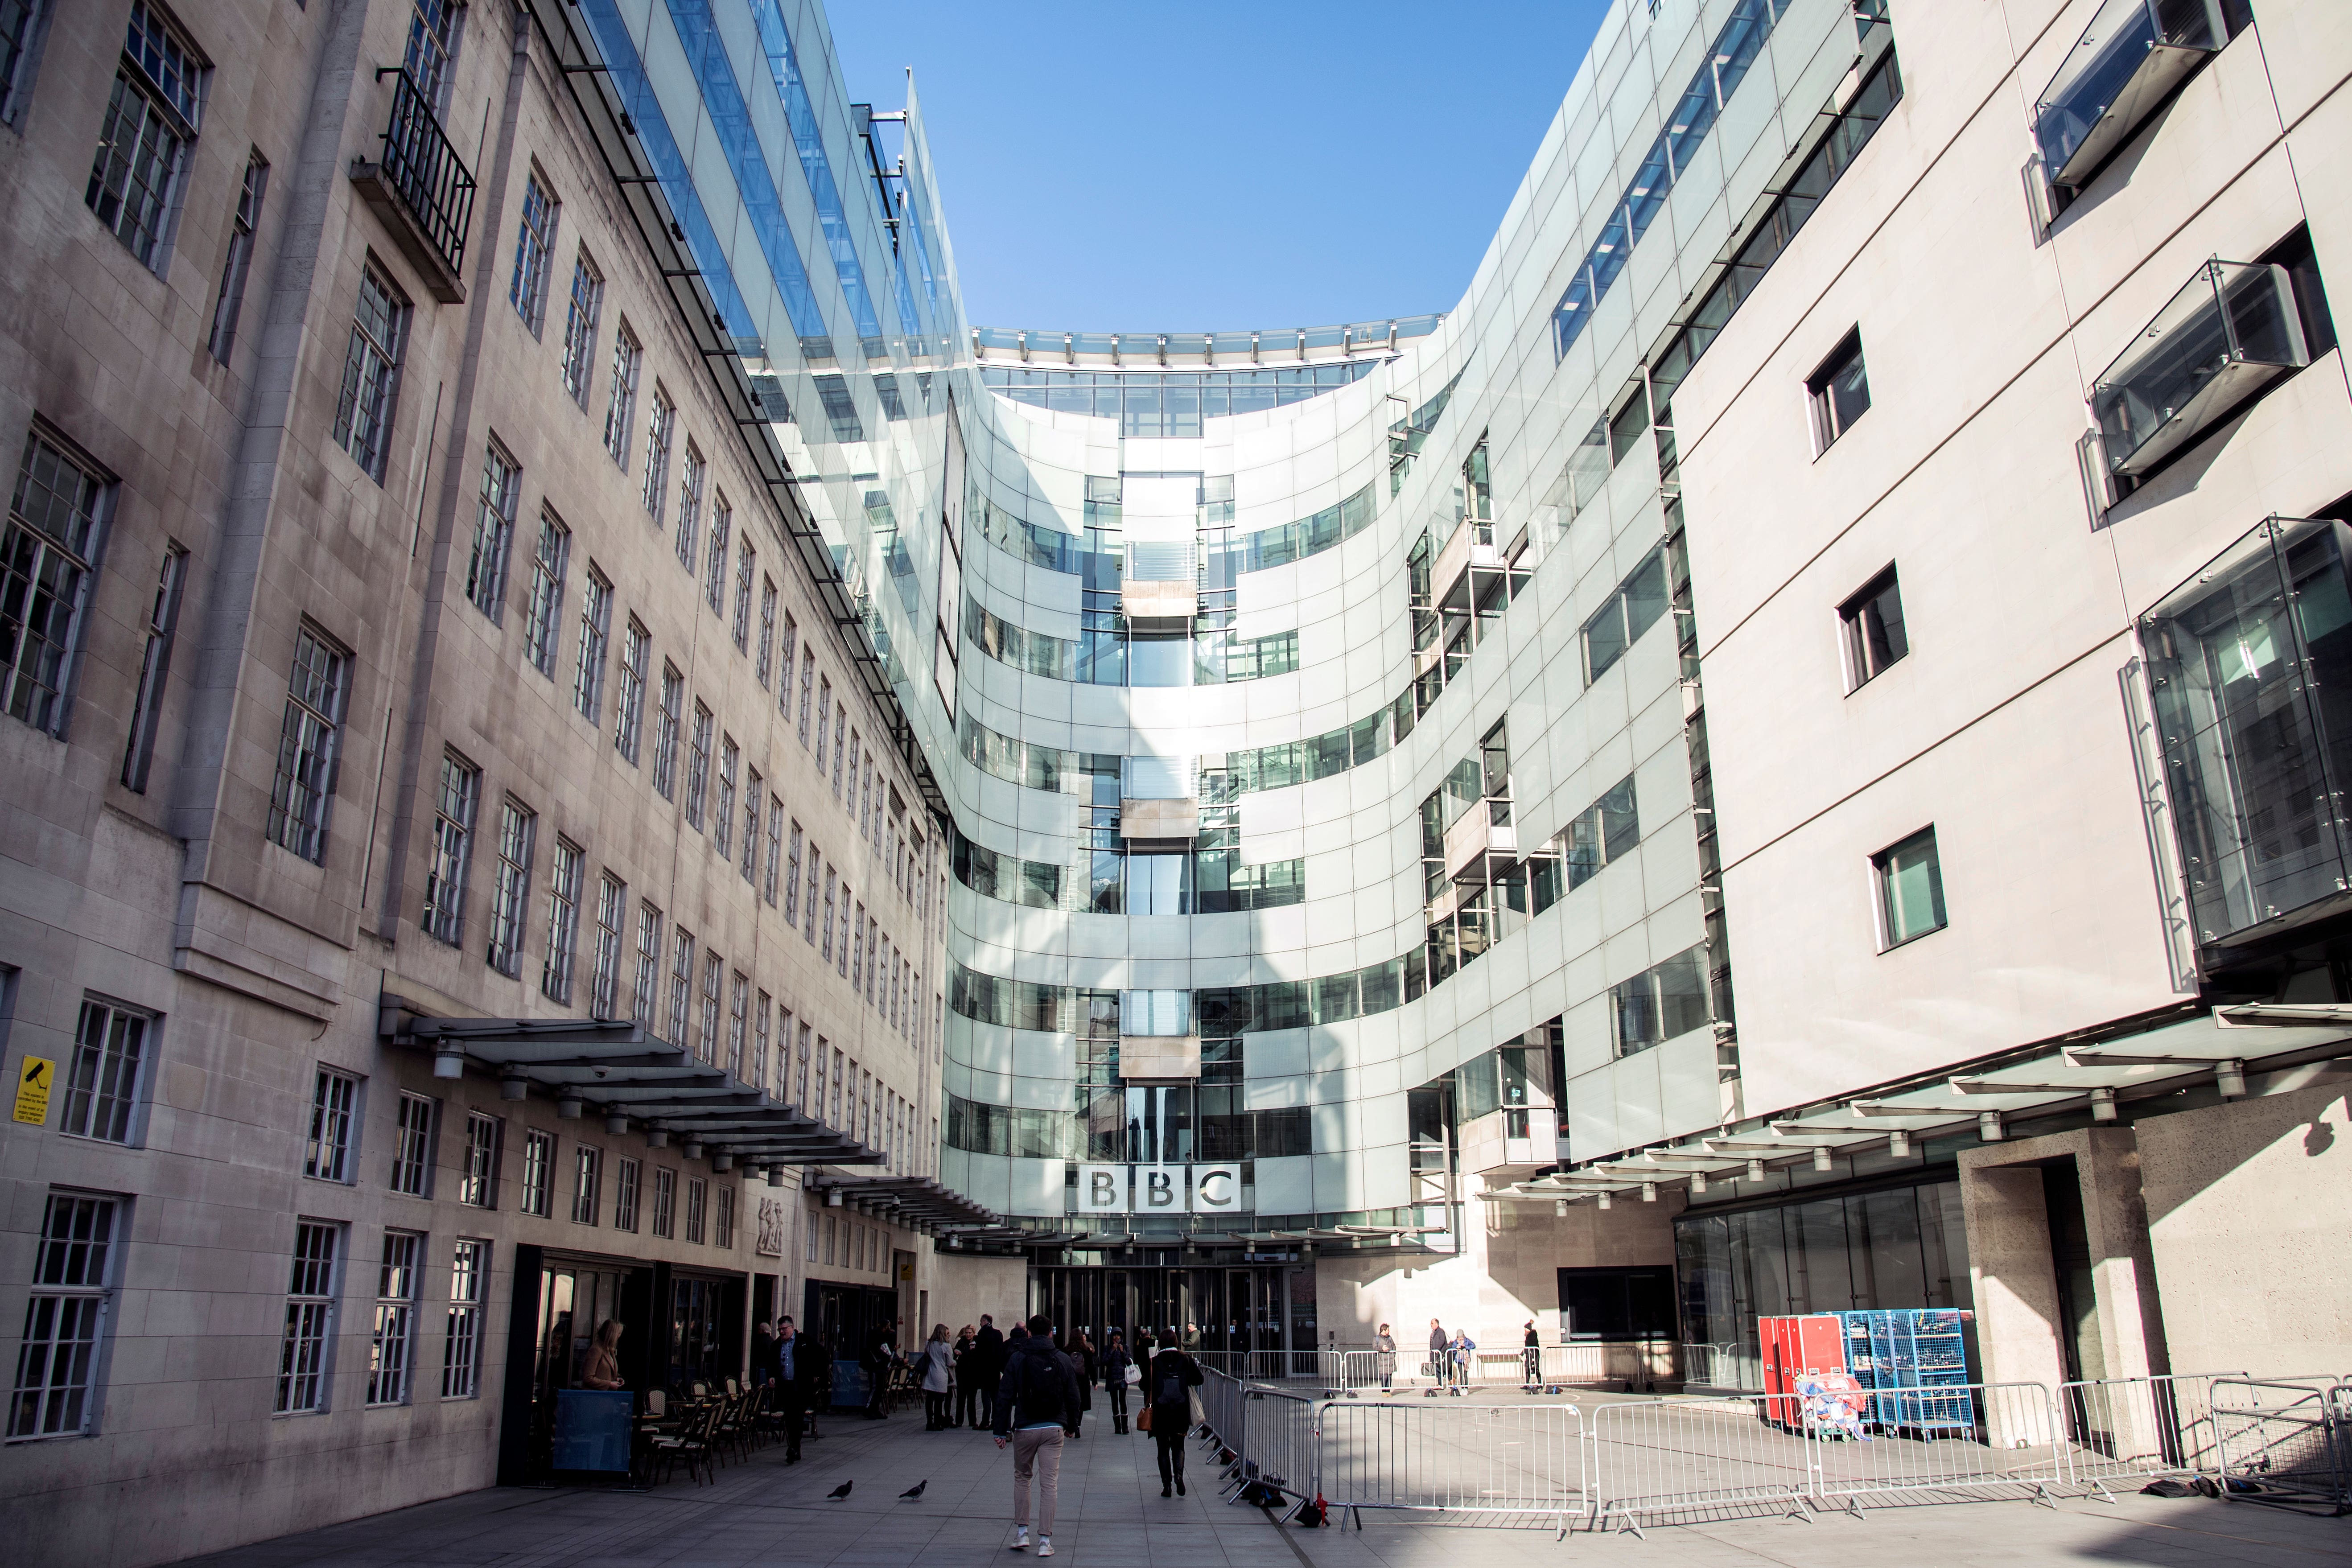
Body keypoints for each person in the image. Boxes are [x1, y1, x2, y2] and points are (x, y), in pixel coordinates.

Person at [994, 1314, 1081, 1556]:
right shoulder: (1062, 1359)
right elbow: (1073, 1395)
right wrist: (1072, 1426)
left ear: (1029, 1333)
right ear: (1052, 1333)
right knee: (1049, 1484)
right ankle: (1045, 1541)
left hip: (1025, 1427)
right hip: (1053, 1427)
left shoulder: (1018, 1358)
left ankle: (1022, 1533)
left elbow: (1005, 1395)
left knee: (1022, 1478)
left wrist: (1000, 1430)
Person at [1145, 1331, 1202, 1497]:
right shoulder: (1185, 1359)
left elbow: (1144, 1385)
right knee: (1179, 1445)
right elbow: (1199, 1379)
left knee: (1162, 1449)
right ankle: (1179, 1476)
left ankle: (1167, 1486)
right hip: (1180, 1410)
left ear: (1160, 1344)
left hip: (1160, 1412)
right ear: (1177, 1342)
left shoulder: (1154, 1362)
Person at [774, 1317, 809, 1462]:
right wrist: (771, 1376)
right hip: (785, 1386)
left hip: (800, 1387)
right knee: (789, 1418)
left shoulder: (803, 1342)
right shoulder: (777, 1345)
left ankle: (794, 1447)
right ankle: (795, 1447)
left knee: (798, 1417)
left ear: (792, 1327)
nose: (782, 1332)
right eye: (780, 1329)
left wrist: (815, 1375)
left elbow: (818, 1357)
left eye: (784, 1329)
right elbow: (771, 1363)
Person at [973, 1314, 1006, 1431]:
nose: (980, 1324)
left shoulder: (982, 1334)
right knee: (995, 1398)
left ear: (984, 1321)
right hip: (995, 1371)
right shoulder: (998, 1334)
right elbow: (1000, 1352)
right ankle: (995, 1421)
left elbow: (979, 1354)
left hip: (985, 1371)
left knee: (986, 1397)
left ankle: (985, 1422)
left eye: (981, 1321)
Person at [919, 1323, 955, 1429]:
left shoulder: (928, 1344)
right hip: (941, 1375)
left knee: (929, 1400)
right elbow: (950, 1362)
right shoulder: (946, 1346)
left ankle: (929, 1423)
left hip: (930, 1374)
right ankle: (937, 1423)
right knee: (939, 1401)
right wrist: (956, 1362)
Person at [1100, 1331, 1133, 1434]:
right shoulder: (1107, 1348)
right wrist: (1112, 1351)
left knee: (1123, 1401)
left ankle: (1125, 1426)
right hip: (1112, 1378)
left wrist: (1123, 1352)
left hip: (1123, 1377)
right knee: (1114, 1402)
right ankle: (1117, 1427)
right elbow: (1104, 1362)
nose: (1116, 1338)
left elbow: (1129, 1362)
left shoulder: (1125, 1347)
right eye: (1114, 1335)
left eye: (1118, 1336)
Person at [865, 1321, 897, 1420]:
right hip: (876, 1366)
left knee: (880, 1389)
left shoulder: (884, 1338)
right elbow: (877, 1351)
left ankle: (875, 1409)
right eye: (888, 1327)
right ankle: (869, 1409)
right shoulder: (876, 1337)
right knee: (875, 1388)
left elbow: (888, 1347)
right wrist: (887, 1358)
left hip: (882, 1366)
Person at [580, 1319, 625, 1389]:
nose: (618, 1337)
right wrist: (609, 1384)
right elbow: (588, 1378)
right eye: (618, 1334)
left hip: (606, 1397)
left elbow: (608, 1371)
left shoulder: (610, 1350)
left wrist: (618, 1377)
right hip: (595, 1397)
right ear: (611, 1335)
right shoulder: (596, 1350)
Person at [1069, 1330, 1095, 1440]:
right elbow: (1091, 1366)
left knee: (1071, 1403)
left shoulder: (1067, 1350)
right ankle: (1077, 1426)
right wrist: (1095, 1381)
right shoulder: (1086, 1351)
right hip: (1083, 1380)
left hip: (1071, 1380)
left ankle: (1071, 1424)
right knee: (1081, 1405)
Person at [1452, 1327, 1476, 1394]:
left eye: (1461, 1337)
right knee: (1461, 1374)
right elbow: (1453, 1348)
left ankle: (1466, 1388)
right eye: (1459, 1337)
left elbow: (1473, 1345)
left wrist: (1465, 1347)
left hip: (1465, 1360)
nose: (1460, 1339)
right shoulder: (1456, 1342)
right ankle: (1462, 1388)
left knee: (1465, 1374)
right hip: (1459, 1359)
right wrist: (1456, 1347)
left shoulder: (1467, 1341)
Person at [1375, 1323, 1397, 1393]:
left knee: (1390, 1376)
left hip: (1390, 1361)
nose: (1389, 1331)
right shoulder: (1377, 1338)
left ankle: (1388, 1391)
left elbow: (1394, 1347)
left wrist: (1393, 1355)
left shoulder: (1390, 1338)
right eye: (1388, 1330)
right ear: (1384, 1330)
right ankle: (1384, 1391)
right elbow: (1375, 1347)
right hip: (1383, 1361)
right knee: (1385, 1376)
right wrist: (1382, 1348)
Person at [1428, 1319, 1449, 1390]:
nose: (1431, 1325)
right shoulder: (1433, 1333)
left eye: (1432, 1324)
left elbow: (1442, 1341)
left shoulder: (1441, 1332)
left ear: (1436, 1324)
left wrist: (1437, 1349)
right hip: (1436, 1355)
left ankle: (1450, 1384)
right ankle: (1440, 1384)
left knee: (1444, 1369)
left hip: (1441, 1354)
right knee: (1438, 1369)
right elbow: (1432, 1344)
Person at [1523, 1319, 1543, 1392]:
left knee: (1536, 1369)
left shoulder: (1532, 1336)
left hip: (1534, 1355)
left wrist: (1534, 1358)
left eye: (1526, 1330)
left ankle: (1540, 1384)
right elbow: (1527, 1347)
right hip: (1530, 1355)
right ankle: (1527, 1384)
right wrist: (1522, 1353)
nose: (1525, 1332)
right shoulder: (1528, 1336)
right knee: (1527, 1369)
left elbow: (1534, 1347)